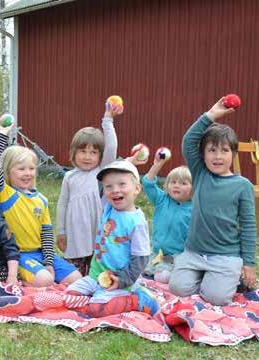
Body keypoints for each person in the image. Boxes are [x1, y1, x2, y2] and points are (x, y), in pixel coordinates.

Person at [169, 97, 257, 306]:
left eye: (224, 150)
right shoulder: (200, 174)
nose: (218, 156)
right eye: (212, 150)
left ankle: (225, 279)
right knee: (178, 288)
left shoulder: (243, 185)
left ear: (233, 154)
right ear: (203, 154)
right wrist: (212, 115)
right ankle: (203, 276)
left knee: (217, 298)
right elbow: (189, 140)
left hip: (226, 255)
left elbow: (248, 226)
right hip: (194, 252)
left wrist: (249, 264)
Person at [0, 118, 82, 287]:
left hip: (41, 254)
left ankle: (43, 274)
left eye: (31, 168)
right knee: (45, 280)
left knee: (77, 280)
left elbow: (46, 234)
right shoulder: (6, 194)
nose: (27, 173)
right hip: (18, 256)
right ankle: (22, 279)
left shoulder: (42, 200)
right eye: (21, 169)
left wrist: (49, 262)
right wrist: (2, 133)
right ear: (8, 171)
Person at [64, 160, 159, 317]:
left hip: (120, 280)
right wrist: (128, 160)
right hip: (96, 276)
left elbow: (141, 259)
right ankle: (99, 299)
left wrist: (122, 280)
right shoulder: (108, 206)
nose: (115, 190)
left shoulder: (137, 222)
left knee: (95, 310)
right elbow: (101, 184)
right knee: (69, 296)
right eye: (109, 186)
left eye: (122, 184)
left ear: (137, 188)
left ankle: (139, 300)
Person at [56, 99, 122, 275]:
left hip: (97, 235)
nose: (87, 156)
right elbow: (62, 204)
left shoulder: (102, 173)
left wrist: (107, 120)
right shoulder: (69, 177)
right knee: (73, 275)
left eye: (93, 152)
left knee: (97, 275)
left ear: (100, 155)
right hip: (75, 235)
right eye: (82, 151)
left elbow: (112, 146)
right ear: (73, 152)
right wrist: (61, 232)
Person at [142, 152, 192, 283]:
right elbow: (147, 183)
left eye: (183, 183)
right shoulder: (162, 200)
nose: (176, 185)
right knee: (141, 268)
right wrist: (157, 165)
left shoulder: (194, 209)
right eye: (173, 182)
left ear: (193, 189)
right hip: (157, 252)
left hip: (178, 256)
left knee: (163, 276)